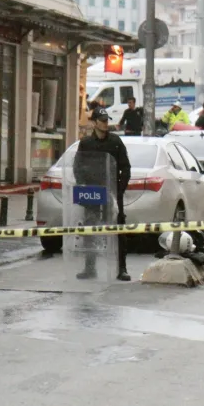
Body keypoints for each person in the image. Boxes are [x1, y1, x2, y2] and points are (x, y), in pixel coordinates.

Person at [74, 107, 132, 281]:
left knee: (118, 227)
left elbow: (125, 167)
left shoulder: (115, 142)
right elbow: (78, 166)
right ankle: (89, 267)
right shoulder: (86, 143)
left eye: (107, 120)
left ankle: (121, 268)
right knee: (90, 227)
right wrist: (83, 185)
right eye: (102, 120)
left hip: (111, 192)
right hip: (92, 192)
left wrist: (119, 190)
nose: (106, 123)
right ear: (94, 123)